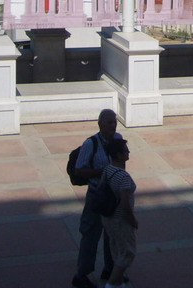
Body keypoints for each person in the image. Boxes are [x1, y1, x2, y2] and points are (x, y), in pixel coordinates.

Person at [72, 109, 123, 288]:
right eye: (109, 122)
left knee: (112, 235)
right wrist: (102, 172)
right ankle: (82, 275)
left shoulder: (118, 139)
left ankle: (109, 269)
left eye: (114, 122)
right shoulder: (90, 144)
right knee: (90, 234)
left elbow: (122, 161)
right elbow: (79, 169)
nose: (112, 125)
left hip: (113, 196)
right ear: (100, 124)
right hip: (96, 196)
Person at [99, 139, 137, 288]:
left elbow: (101, 188)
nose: (128, 152)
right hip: (120, 221)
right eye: (126, 150)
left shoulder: (108, 170)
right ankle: (111, 284)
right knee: (126, 254)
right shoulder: (123, 177)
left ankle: (119, 284)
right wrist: (132, 220)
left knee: (116, 251)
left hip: (108, 218)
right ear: (119, 155)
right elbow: (125, 203)